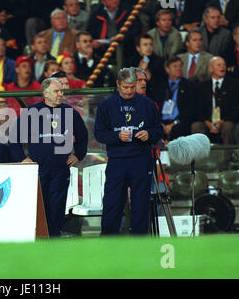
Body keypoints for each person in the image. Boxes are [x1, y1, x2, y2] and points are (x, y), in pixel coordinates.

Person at [10, 77, 88, 236]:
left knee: (57, 207)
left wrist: (78, 155)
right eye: (56, 91)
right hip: (38, 171)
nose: (60, 94)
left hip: (61, 169)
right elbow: (14, 138)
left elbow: (83, 136)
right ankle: (39, 238)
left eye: (61, 91)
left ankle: (54, 238)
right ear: (45, 93)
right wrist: (22, 159)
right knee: (39, 207)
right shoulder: (32, 112)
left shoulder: (70, 112)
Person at [94, 68, 163, 235]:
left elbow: (159, 130)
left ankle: (139, 239)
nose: (129, 91)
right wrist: (117, 136)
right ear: (118, 85)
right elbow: (99, 133)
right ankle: (108, 240)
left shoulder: (147, 104)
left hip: (141, 159)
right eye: (125, 87)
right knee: (112, 202)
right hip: (117, 160)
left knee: (140, 203)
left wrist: (149, 134)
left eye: (132, 87)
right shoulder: (106, 105)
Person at [191, 56, 239, 144]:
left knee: (228, 127)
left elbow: (237, 107)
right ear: (210, 68)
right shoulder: (202, 86)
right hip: (207, 120)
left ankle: (228, 157)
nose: (222, 67)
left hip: (225, 120)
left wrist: (222, 121)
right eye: (219, 65)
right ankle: (201, 157)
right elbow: (198, 107)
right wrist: (207, 122)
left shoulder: (234, 85)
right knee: (196, 126)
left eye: (224, 65)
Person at [150, 56, 198, 141]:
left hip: (179, 122)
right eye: (175, 66)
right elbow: (153, 106)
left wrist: (173, 124)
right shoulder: (159, 85)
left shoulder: (188, 85)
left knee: (178, 131)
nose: (178, 68)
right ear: (167, 69)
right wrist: (161, 124)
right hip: (161, 122)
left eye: (180, 66)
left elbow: (190, 109)